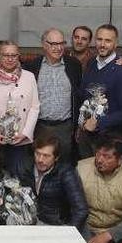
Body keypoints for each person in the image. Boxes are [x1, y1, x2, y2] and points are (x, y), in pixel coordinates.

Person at [0, 41, 40, 172]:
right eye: (6, 55)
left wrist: (25, 133)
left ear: (19, 56)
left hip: (20, 139)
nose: (10, 59)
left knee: (18, 178)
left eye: (14, 55)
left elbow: (35, 107)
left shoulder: (29, 77)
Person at [24, 28, 82, 164]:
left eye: (61, 43)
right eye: (53, 44)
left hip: (65, 129)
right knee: (42, 164)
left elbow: (79, 94)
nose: (59, 48)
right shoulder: (32, 67)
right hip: (40, 128)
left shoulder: (74, 65)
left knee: (65, 165)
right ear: (44, 44)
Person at [77, 24, 122, 159]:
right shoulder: (91, 63)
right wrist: (81, 123)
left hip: (108, 139)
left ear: (115, 44)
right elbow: (84, 95)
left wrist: (99, 123)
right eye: (99, 39)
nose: (102, 44)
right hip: (86, 134)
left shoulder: (121, 70)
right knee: (86, 173)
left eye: (108, 41)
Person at [17, 134, 88, 227]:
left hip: (56, 224)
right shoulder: (25, 167)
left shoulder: (66, 173)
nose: (40, 160)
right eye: (37, 153)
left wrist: (67, 232)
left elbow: (81, 210)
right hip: (30, 222)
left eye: (46, 156)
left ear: (56, 158)